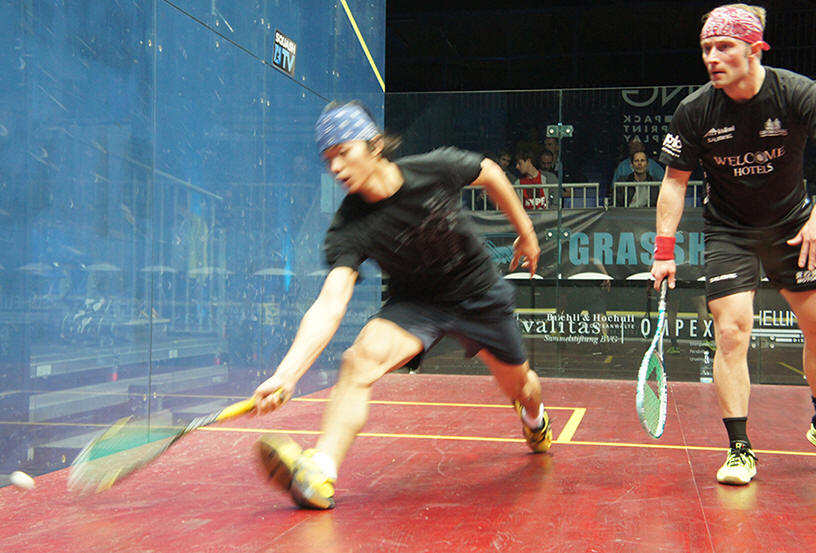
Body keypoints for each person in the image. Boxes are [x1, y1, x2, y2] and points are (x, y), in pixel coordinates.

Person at [252, 101, 552, 509]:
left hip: (477, 293)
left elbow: (489, 172)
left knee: (521, 387)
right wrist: (286, 375)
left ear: (374, 146)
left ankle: (534, 420)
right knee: (358, 361)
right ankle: (319, 471)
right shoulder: (349, 226)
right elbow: (331, 301)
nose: (336, 167)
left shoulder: (434, 168)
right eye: (328, 159)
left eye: (344, 152)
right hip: (416, 303)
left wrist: (526, 232)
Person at [651, 4, 816, 487]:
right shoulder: (695, 110)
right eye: (706, 47)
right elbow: (674, 182)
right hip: (730, 232)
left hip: (792, 225)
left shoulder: (798, 93)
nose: (712, 57)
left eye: (724, 46)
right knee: (730, 333)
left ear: (755, 49)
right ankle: (740, 448)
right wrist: (664, 252)